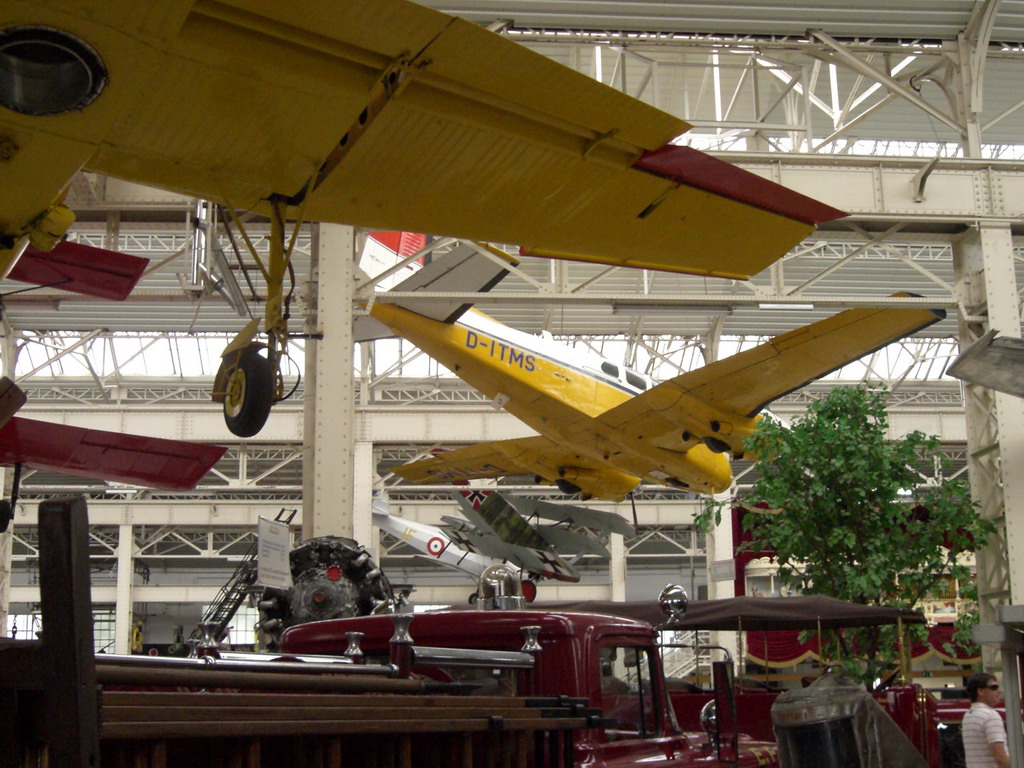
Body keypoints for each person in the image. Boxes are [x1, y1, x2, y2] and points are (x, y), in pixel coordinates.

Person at [962, 673, 1009, 768]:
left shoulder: (968, 716)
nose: (999, 691)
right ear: (980, 691)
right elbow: (1000, 757)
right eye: (994, 687)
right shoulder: (990, 715)